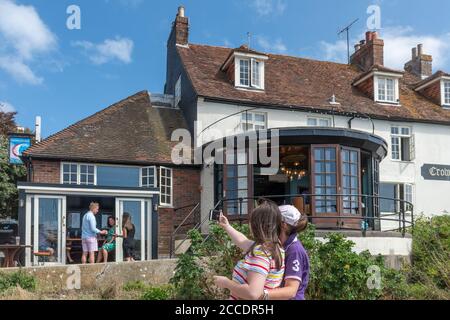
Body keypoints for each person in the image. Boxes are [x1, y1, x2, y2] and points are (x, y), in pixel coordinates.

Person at [213, 201, 285, 300]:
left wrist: (226, 283)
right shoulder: (275, 248)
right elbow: (242, 241)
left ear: (257, 225)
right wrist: (227, 226)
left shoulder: (261, 254)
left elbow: (253, 293)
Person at [265, 205, 310, 300]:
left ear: (283, 225)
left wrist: (259, 294)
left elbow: (291, 291)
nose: (269, 225)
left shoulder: (295, 251)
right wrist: (227, 226)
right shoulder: (281, 245)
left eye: (273, 221)